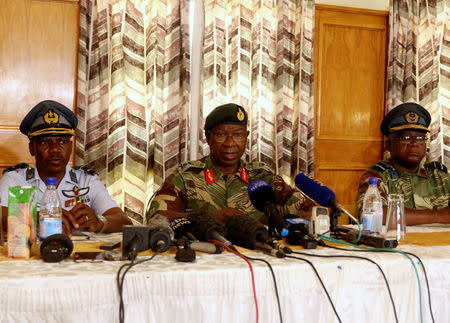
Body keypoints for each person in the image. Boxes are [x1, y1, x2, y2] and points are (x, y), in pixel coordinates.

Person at [147, 103, 315, 225]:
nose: (230, 143)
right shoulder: (185, 176)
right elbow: (156, 217)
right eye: (221, 135)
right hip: (203, 260)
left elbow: (310, 209)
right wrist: (210, 217)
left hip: (260, 259)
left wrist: (305, 218)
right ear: (208, 137)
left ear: (246, 136)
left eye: (238, 135)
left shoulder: (262, 177)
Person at [0, 100, 132, 236]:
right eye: (45, 142)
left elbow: (123, 221)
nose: (55, 149)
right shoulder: (15, 179)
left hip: (78, 254)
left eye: (62, 141)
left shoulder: (86, 181)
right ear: (31, 148)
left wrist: (100, 221)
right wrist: (34, 218)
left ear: (71, 148)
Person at [356, 102, 450, 225]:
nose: (414, 143)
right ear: (389, 145)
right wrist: (440, 216)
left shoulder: (440, 175)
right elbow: (371, 215)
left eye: (420, 138)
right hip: (397, 242)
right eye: (405, 138)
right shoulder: (376, 176)